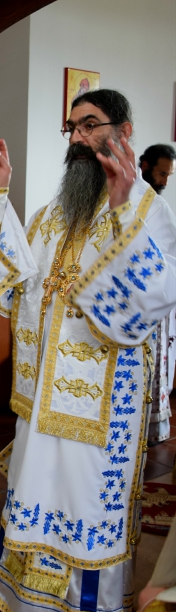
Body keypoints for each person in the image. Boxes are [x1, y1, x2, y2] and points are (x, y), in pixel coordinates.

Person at [0, 89, 176, 612]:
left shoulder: (146, 211)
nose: (80, 138)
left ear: (124, 131)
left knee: (85, 506)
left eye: (91, 125)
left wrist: (122, 207)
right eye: (73, 128)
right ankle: (24, 602)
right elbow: (13, 283)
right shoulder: (54, 215)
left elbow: (154, 296)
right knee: (36, 490)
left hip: (102, 408)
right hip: (42, 399)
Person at [139, 145, 176, 444]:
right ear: (144, 166)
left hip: (152, 300)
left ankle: (150, 427)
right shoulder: (122, 199)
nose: (164, 180)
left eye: (168, 175)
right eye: (162, 173)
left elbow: (168, 257)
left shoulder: (157, 206)